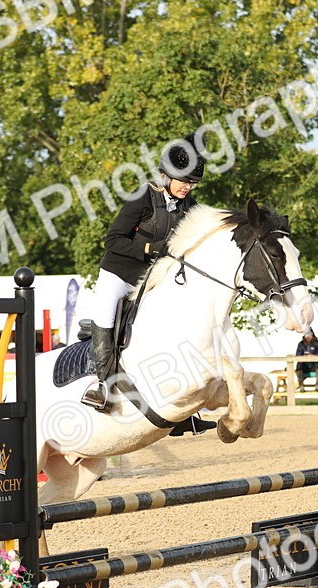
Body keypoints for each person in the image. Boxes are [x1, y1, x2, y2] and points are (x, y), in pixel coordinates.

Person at [81, 137, 204, 410]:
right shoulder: (142, 196)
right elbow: (112, 240)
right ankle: (101, 385)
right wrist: (151, 248)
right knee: (105, 311)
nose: (188, 187)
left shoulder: (190, 207)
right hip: (119, 273)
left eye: (193, 183)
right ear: (167, 175)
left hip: (151, 281)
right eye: (184, 180)